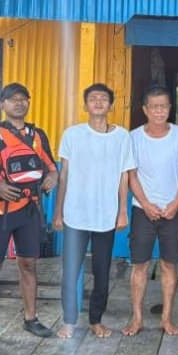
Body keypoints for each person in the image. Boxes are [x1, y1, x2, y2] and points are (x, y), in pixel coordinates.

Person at [0, 83, 58, 349]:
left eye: (24, 99)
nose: (19, 103)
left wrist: (52, 178)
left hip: (29, 210)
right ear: (3, 104)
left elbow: (51, 167)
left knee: (29, 265)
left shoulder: (37, 135)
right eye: (13, 99)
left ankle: (30, 317)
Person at [55, 83, 135, 339]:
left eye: (103, 99)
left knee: (102, 270)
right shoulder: (72, 135)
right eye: (93, 98)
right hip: (75, 214)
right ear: (85, 105)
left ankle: (96, 319)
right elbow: (64, 175)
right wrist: (58, 212)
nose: (98, 102)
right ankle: (68, 320)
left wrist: (123, 211)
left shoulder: (122, 136)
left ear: (110, 105)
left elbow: (125, 176)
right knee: (71, 269)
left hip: (106, 214)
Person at [123, 85, 178, 337]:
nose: (159, 111)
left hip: (173, 210)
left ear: (169, 108)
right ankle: (137, 318)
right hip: (143, 210)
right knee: (140, 265)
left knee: (169, 265)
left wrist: (176, 203)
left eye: (164, 106)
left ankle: (166, 319)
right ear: (145, 109)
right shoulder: (133, 137)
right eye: (154, 107)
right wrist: (146, 204)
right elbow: (131, 175)